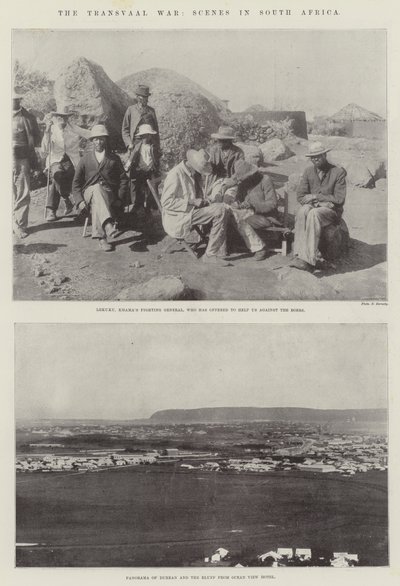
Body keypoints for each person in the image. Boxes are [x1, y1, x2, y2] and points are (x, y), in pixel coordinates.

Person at [161, 149, 230, 266]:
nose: (200, 173)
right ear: (192, 166)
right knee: (221, 210)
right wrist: (191, 201)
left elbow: (191, 194)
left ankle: (215, 248)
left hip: (190, 211)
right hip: (178, 217)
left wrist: (204, 200)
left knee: (221, 206)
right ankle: (210, 254)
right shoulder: (175, 174)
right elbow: (166, 202)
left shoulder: (189, 172)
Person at [291, 141, 348, 271]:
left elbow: (339, 199)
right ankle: (299, 255)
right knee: (303, 211)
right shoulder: (308, 171)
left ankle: (309, 260)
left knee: (313, 213)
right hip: (317, 206)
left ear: (324, 155)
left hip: (331, 213)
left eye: (318, 156)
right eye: (312, 157)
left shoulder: (337, 172)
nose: (315, 159)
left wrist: (315, 196)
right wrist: (319, 202)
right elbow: (301, 196)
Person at [72, 125, 129, 252]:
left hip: (109, 193)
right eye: (96, 139)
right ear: (92, 141)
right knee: (96, 189)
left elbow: (124, 179)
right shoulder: (85, 159)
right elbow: (76, 184)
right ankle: (107, 225)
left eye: (101, 139)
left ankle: (101, 238)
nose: (98, 142)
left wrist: (120, 197)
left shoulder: (114, 158)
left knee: (98, 194)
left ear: (106, 140)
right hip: (88, 194)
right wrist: (79, 201)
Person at [41, 107, 91, 221]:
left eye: (64, 117)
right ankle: (64, 201)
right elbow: (44, 150)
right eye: (59, 117)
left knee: (75, 180)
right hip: (56, 159)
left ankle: (58, 208)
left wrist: (100, 132)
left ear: (67, 118)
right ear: (55, 118)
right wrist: (46, 132)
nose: (62, 119)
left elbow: (89, 134)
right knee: (57, 175)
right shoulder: (51, 129)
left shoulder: (73, 128)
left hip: (72, 160)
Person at [224, 160, 279, 261]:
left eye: (246, 177)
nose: (244, 180)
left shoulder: (265, 180)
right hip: (248, 213)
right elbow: (239, 200)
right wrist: (236, 203)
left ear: (252, 174)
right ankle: (227, 245)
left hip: (266, 216)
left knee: (242, 220)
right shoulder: (243, 183)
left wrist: (253, 205)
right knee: (228, 213)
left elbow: (272, 204)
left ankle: (260, 248)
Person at [12, 89, 41, 238]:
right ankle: (11, 224)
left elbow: (36, 140)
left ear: (20, 100)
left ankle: (21, 225)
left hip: (22, 159)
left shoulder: (28, 117)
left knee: (22, 192)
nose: (13, 102)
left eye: (16, 99)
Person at [123, 123, 160, 215]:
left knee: (153, 189)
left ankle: (151, 208)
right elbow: (132, 157)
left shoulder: (153, 147)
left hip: (151, 170)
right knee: (139, 189)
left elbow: (157, 158)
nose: (145, 138)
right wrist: (127, 166)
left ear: (150, 136)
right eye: (143, 136)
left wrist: (157, 167)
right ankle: (139, 207)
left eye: (147, 136)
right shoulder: (138, 146)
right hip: (140, 171)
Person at [205, 125, 244, 200]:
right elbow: (211, 168)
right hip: (217, 180)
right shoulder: (214, 150)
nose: (218, 142)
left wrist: (228, 184)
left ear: (228, 141)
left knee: (228, 199)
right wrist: (207, 165)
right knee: (216, 198)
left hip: (232, 180)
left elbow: (240, 172)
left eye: (221, 140)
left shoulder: (238, 152)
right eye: (218, 140)